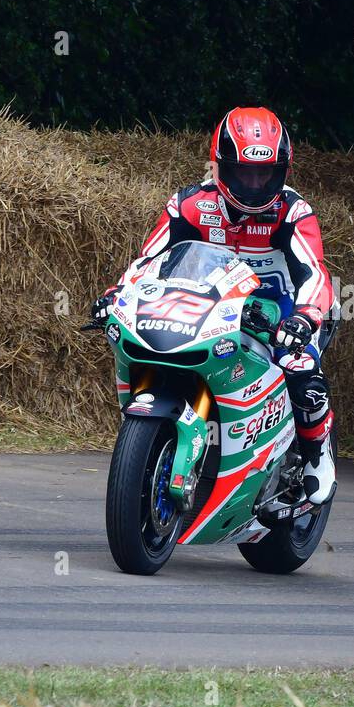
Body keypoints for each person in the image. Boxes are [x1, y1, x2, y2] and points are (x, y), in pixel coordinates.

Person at [95, 107, 336, 501]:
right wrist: (116, 293)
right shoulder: (189, 204)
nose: (255, 184)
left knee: (301, 365)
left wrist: (306, 319)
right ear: (221, 166)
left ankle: (317, 456)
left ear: (283, 172)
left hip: (280, 308)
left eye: (265, 174)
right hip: (210, 302)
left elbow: (314, 273)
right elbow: (149, 260)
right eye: (244, 173)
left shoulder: (294, 212)